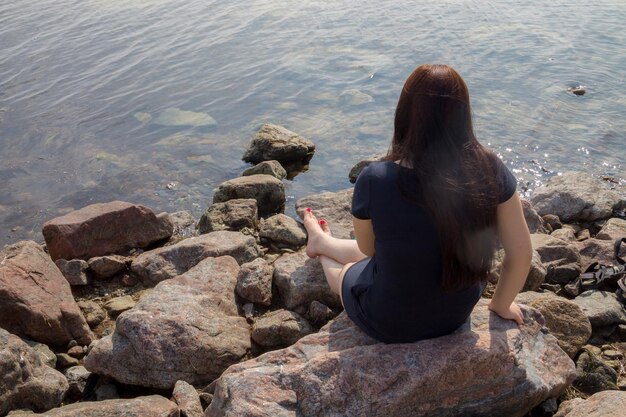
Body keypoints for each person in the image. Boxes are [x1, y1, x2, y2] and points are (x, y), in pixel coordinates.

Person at [303, 64, 533, 344]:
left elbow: (368, 249)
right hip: (456, 312)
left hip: (391, 321)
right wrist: (501, 304)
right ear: (463, 114)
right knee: (389, 253)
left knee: (346, 275)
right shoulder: (490, 169)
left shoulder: (375, 178)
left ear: (405, 113)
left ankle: (321, 249)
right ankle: (323, 242)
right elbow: (521, 253)